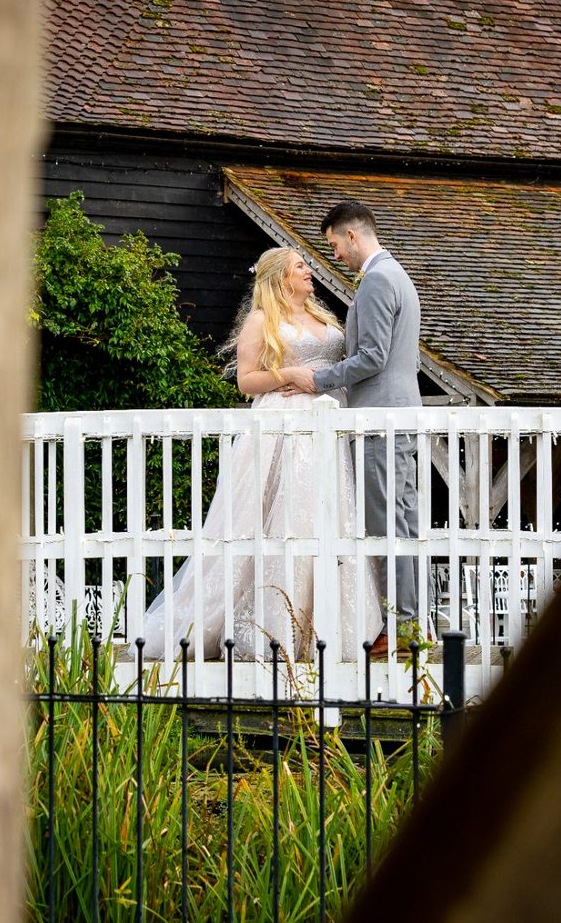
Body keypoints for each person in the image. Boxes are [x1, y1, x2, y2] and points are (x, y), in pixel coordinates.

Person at [137, 247, 381, 661]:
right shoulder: (260, 320)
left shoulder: (323, 317)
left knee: (328, 516)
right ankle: (271, 625)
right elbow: (247, 381)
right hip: (280, 426)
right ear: (279, 277)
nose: (310, 272)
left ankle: (325, 627)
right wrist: (286, 374)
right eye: (300, 267)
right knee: (283, 517)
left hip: (326, 426)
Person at [281, 200, 422, 657]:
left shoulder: (379, 280)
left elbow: (375, 356)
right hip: (397, 412)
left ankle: (401, 628)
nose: (335, 255)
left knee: (386, 524)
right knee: (401, 519)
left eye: (335, 245)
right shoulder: (395, 274)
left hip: (382, 417)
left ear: (353, 236)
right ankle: (411, 623)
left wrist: (318, 379)